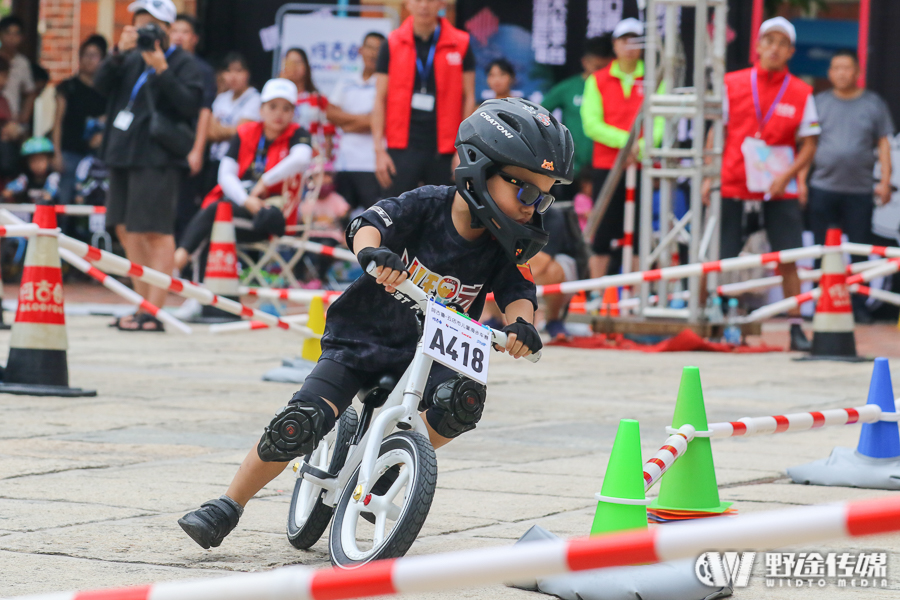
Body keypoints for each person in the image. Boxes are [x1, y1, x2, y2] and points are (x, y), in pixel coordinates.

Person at [177, 97, 572, 550]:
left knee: (464, 402)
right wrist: (372, 252)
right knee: (301, 421)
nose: (533, 207)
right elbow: (371, 224)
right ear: (479, 169)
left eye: (543, 197)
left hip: (431, 353)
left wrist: (522, 327)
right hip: (361, 339)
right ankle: (228, 504)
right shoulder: (428, 205)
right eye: (525, 192)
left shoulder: (503, 248)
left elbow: (518, 294)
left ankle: (389, 468)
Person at [702, 17, 819, 351]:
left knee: (788, 258)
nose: (774, 48)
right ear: (757, 46)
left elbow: (810, 143)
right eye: (769, 41)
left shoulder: (801, 91)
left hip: (779, 185)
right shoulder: (733, 83)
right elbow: (717, 131)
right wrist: (709, 177)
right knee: (721, 255)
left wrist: (791, 176)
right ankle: (719, 318)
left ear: (790, 51)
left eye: (782, 43)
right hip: (734, 179)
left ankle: (796, 327)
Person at [94, 0, 204, 332]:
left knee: (156, 231)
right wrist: (116, 51)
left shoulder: (183, 63)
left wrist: (162, 69)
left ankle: (155, 310)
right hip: (122, 152)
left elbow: (189, 105)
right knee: (124, 227)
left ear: (168, 29)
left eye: (152, 25)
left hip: (158, 157)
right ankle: (143, 307)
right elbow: (98, 86)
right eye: (139, 24)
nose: (144, 31)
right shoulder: (126, 57)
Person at [173, 79, 313, 276]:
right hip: (243, 203)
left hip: (273, 214)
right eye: (272, 107)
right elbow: (225, 175)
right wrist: (246, 200)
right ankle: (198, 288)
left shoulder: (298, 133)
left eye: (286, 108)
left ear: (293, 113)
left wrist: (265, 181)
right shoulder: (247, 132)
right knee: (216, 217)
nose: (279, 114)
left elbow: (301, 158)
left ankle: (177, 263)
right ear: (261, 109)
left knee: (216, 213)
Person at [809, 49, 893, 323]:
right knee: (821, 250)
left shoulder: (873, 104)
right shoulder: (818, 102)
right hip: (823, 186)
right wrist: (800, 181)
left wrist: (885, 181)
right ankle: (819, 301)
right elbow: (807, 143)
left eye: (847, 68)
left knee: (859, 251)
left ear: (857, 73)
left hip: (859, 190)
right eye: (836, 68)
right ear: (830, 73)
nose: (842, 73)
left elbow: (883, 143)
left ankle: (858, 305)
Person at [371, 0, 476, 197]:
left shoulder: (461, 43)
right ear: (407, 4)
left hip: (445, 147)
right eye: (418, 0)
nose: (424, 6)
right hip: (402, 145)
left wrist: (463, 150)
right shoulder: (392, 43)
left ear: (442, 4)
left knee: (444, 211)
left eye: (430, 0)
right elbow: (379, 98)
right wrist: (378, 150)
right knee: (397, 212)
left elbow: (469, 97)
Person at [581, 19, 660, 279]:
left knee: (640, 232)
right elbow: (591, 124)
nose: (630, 46)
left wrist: (640, 147)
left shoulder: (655, 76)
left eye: (636, 40)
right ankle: (594, 294)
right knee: (602, 232)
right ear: (614, 44)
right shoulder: (598, 79)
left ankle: (636, 297)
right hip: (607, 165)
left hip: (642, 164)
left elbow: (660, 122)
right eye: (624, 40)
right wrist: (627, 143)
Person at [542, 36, 614, 190]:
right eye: (597, 67)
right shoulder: (569, 87)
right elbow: (539, 112)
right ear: (585, 62)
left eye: (605, 67)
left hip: (606, 163)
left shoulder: (615, 88)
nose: (601, 73)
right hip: (573, 166)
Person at [170, 13, 218, 241]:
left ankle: (182, 270)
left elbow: (204, 111)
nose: (178, 36)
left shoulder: (203, 70)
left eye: (185, 32)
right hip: (161, 148)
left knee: (184, 211)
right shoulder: (160, 63)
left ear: (194, 38)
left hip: (187, 147)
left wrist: (197, 150)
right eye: (174, 31)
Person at [327, 32, 384, 212]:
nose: (373, 53)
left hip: (372, 164)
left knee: (373, 218)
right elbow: (330, 113)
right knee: (340, 219)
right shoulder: (346, 81)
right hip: (344, 163)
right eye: (370, 47)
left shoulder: (386, 84)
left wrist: (346, 123)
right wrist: (367, 119)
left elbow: (382, 120)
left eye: (379, 49)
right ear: (360, 50)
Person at [52, 35, 108, 207]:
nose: (90, 60)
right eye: (86, 55)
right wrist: (56, 153)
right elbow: (58, 122)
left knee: (99, 199)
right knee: (65, 198)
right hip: (70, 151)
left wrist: (103, 132)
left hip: (98, 155)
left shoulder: (107, 89)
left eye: (95, 56)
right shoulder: (68, 87)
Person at [207, 52, 260, 181]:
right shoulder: (221, 98)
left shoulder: (255, 98)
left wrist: (220, 129)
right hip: (215, 160)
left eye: (238, 71)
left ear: (247, 73)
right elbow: (210, 132)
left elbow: (242, 131)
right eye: (228, 71)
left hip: (238, 163)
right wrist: (230, 129)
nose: (233, 76)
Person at [280, 47, 334, 156]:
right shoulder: (278, 99)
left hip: (312, 157)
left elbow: (328, 133)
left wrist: (326, 160)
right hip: (282, 154)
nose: (294, 67)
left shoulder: (319, 99)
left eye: (298, 62)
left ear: (306, 67)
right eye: (290, 63)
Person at [0, 16, 35, 142]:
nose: (11, 38)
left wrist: (23, 117)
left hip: (11, 121)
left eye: (16, 34)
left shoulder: (22, 63)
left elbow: (30, 92)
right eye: (8, 33)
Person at [3, 137, 59, 203]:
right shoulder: (25, 178)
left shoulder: (53, 177)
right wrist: (9, 191)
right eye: (33, 161)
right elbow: (13, 187)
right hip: (28, 212)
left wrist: (48, 196)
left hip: (47, 212)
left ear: (49, 161)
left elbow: (52, 191)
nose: (37, 165)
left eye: (41, 160)